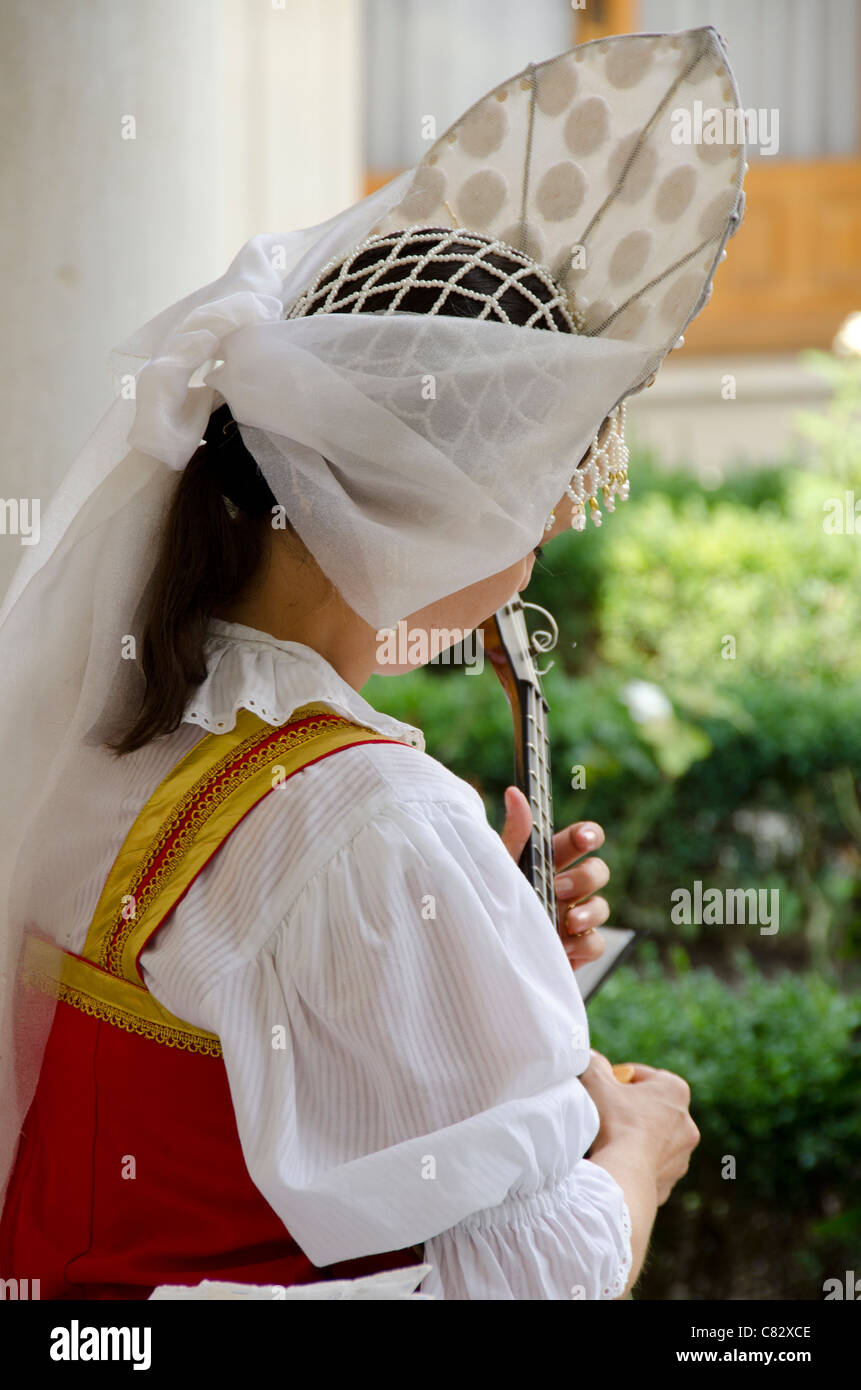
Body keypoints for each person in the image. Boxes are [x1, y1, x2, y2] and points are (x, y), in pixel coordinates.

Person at [0, 29, 745, 1299]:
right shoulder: (375, 823)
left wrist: (473, 971)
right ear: (452, 502)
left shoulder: (113, 723)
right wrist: (636, 1154)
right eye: (552, 484)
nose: (556, 524)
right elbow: (530, 1282)